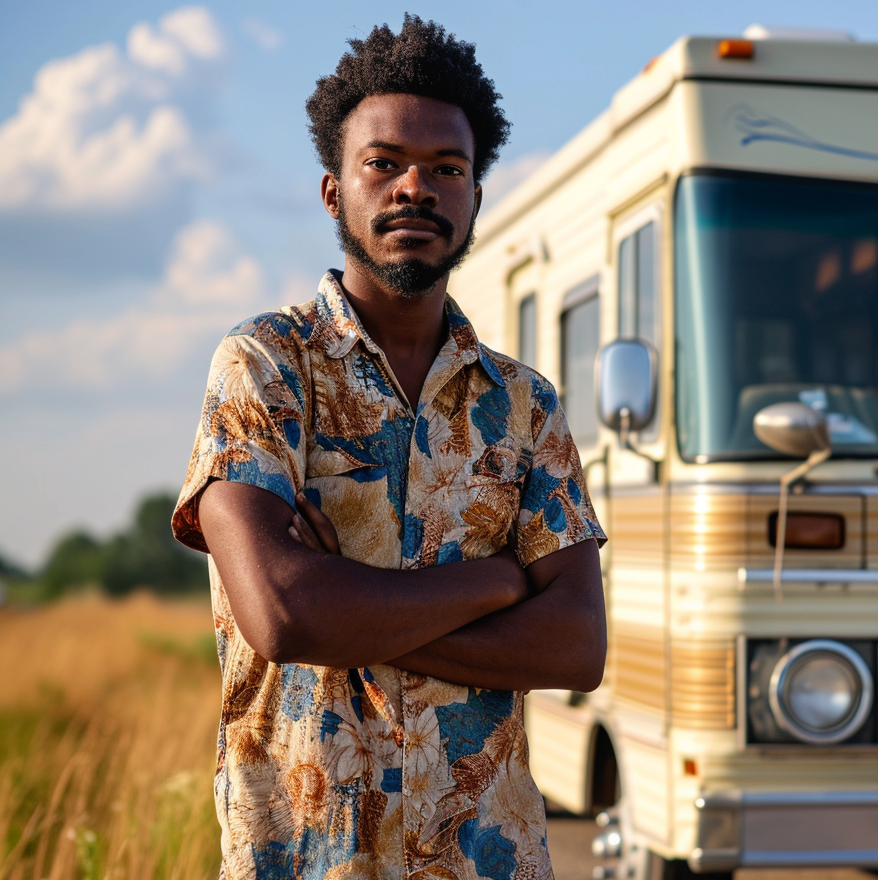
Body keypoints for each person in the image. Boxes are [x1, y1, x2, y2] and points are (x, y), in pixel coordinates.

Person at [171, 16, 606, 879]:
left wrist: (353, 608)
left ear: (476, 197)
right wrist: (495, 583)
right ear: (335, 191)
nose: (417, 187)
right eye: (386, 163)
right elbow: (285, 616)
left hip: (486, 858)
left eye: (447, 169)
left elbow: (575, 648)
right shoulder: (264, 368)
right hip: (304, 855)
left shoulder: (524, 404)